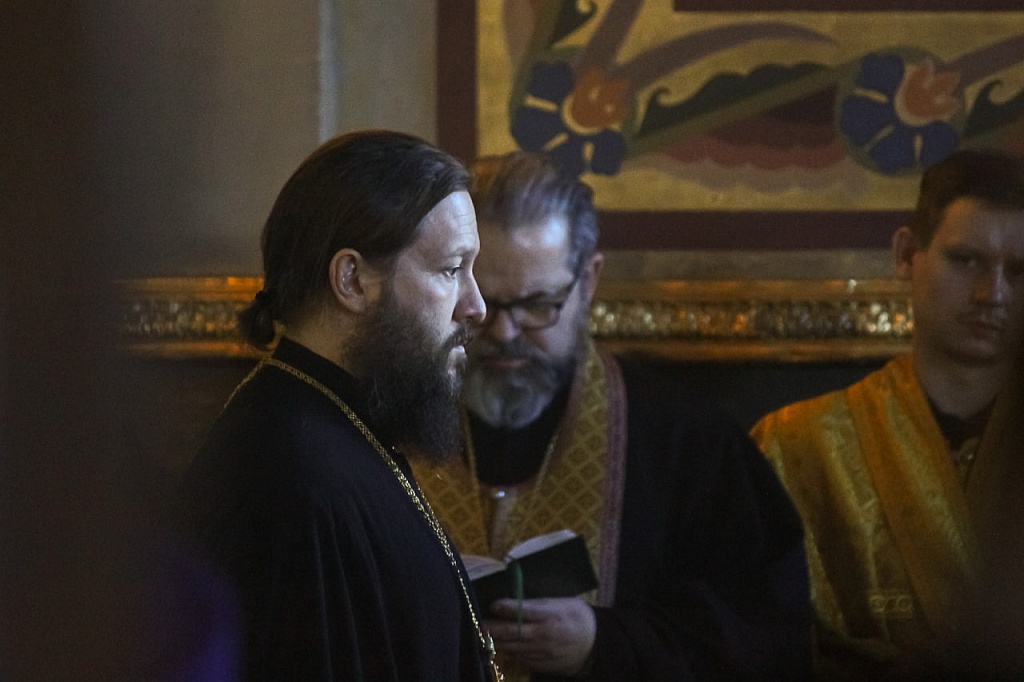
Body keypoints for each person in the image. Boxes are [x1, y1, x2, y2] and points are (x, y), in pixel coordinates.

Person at [411, 152, 812, 680]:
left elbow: (766, 638)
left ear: (589, 280)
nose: (504, 333)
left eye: (538, 304)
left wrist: (603, 642)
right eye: (482, 301)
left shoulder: (686, 442)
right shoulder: (391, 426)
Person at [178, 130, 502, 681]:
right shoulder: (291, 474)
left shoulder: (341, 425)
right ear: (352, 280)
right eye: (452, 270)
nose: (476, 306)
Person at [751, 148, 1024, 679]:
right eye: (965, 260)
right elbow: (757, 641)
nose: (992, 294)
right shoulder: (796, 445)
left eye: (1019, 270)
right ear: (906, 254)